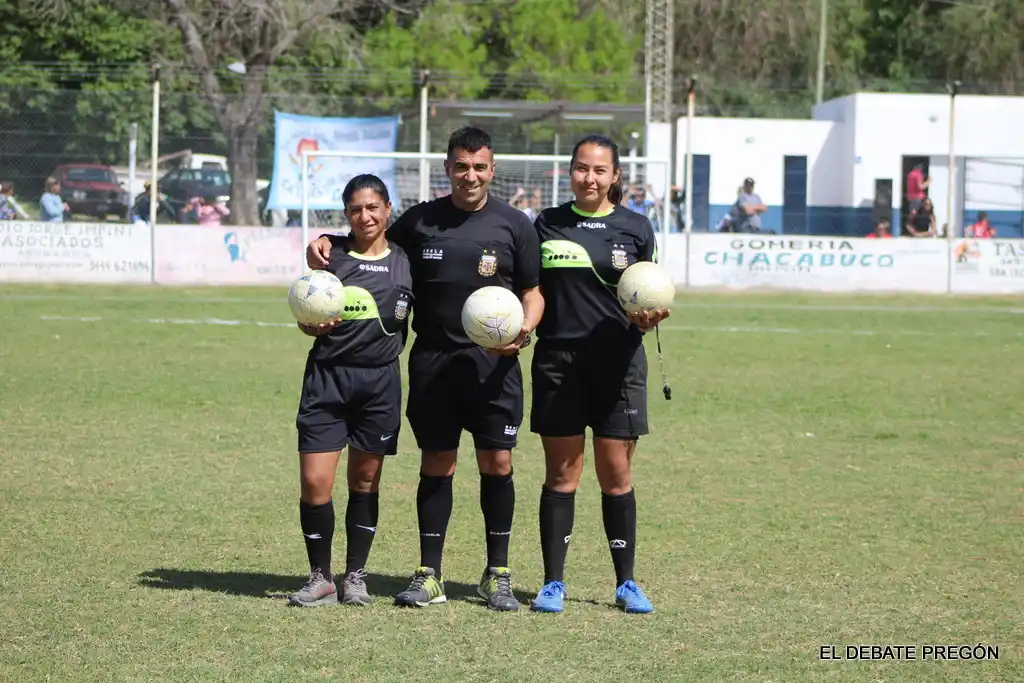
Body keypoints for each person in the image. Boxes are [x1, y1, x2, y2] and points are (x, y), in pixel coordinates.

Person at [306, 127, 544, 612]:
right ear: (448, 169)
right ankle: (429, 573)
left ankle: (496, 573)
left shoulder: (516, 224)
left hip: (495, 368)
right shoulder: (421, 221)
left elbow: (533, 293)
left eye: (479, 167)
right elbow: (367, 239)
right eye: (461, 166)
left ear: (492, 169)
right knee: (437, 463)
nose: (470, 175)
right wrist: (324, 241)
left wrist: (524, 333)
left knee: (497, 464)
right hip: (434, 365)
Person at [528, 135, 666, 615]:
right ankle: (552, 584)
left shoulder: (635, 227)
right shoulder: (546, 224)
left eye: (600, 171)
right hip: (558, 364)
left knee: (616, 474)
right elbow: (534, 290)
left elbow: (648, 292)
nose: (590, 178)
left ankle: (626, 583)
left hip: (619, 367)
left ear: (614, 177)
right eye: (582, 169)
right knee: (562, 475)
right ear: (570, 172)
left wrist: (649, 316)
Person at [288, 174, 414, 608]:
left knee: (365, 480)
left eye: (373, 207)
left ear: (387, 209)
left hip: (380, 383)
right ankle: (320, 576)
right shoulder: (332, 257)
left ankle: (355, 575)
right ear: (346, 215)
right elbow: (308, 310)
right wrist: (308, 323)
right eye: (356, 209)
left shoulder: (406, 259)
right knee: (314, 483)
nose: (365, 216)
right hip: (328, 379)